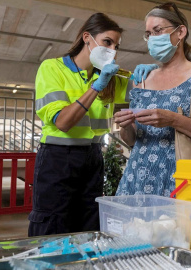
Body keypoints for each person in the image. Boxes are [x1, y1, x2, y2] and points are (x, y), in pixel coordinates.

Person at [29, 13, 152, 236]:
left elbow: (147, 87)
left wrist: (150, 73)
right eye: (107, 42)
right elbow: (63, 122)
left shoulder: (111, 78)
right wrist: (96, 87)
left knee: (88, 222)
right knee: (52, 224)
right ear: (87, 37)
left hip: (93, 157)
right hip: (58, 159)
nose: (112, 49)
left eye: (116, 45)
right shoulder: (53, 69)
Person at [113, 2, 191, 197]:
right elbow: (132, 141)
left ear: (180, 32)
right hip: (137, 181)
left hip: (181, 182)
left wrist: (173, 120)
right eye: (148, 34)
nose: (152, 39)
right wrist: (125, 126)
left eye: (158, 31)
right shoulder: (142, 81)